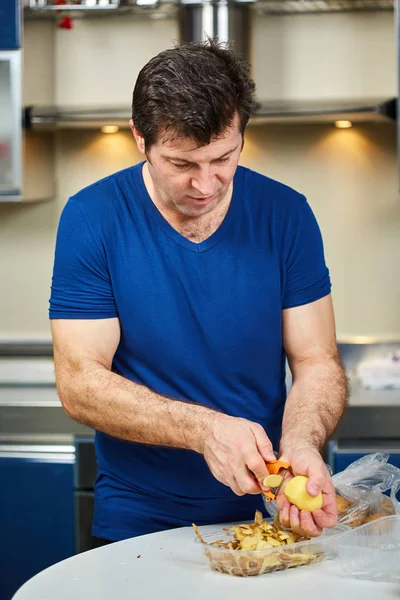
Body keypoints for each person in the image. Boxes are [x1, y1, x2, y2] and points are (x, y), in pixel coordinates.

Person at [49, 39, 348, 548]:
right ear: (140, 138)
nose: (206, 184)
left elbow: (316, 360)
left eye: (223, 158)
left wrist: (301, 440)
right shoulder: (92, 218)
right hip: (137, 516)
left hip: (273, 513)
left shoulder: (286, 214)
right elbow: (79, 381)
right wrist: (203, 431)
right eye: (182, 164)